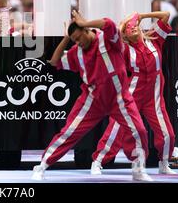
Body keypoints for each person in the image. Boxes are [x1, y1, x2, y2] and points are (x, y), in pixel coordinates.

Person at [31, 11, 151, 182]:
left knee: (139, 130)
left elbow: (108, 23)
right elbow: (54, 62)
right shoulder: (76, 52)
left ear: (87, 30)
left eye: (79, 38)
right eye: (74, 40)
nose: (78, 43)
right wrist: (66, 38)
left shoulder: (109, 39)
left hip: (119, 98)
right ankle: (42, 166)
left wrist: (84, 22)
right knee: (69, 133)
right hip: (92, 100)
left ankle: (138, 168)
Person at [91, 11, 176, 176]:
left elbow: (166, 15)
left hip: (154, 97)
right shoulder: (125, 49)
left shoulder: (154, 39)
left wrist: (142, 16)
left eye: (136, 25)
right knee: (115, 129)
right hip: (132, 95)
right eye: (130, 28)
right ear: (126, 34)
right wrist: (122, 25)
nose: (134, 28)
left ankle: (164, 163)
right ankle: (98, 161)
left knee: (168, 134)